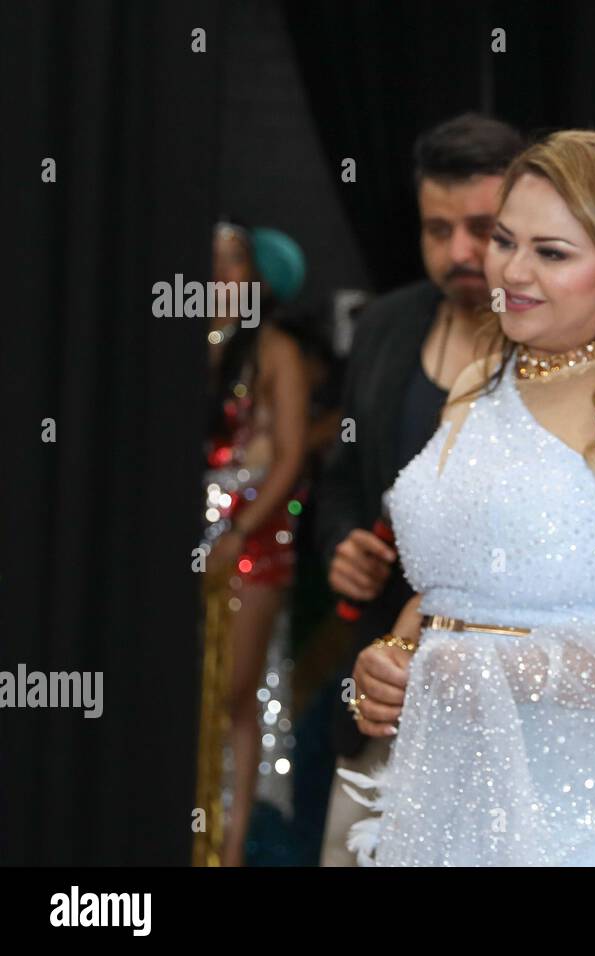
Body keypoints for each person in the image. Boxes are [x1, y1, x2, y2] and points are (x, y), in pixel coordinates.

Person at [338, 130, 595, 865]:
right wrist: (397, 650)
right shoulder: (480, 383)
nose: (511, 269)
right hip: (448, 795)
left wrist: (487, 668)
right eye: (505, 240)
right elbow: (452, 593)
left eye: (552, 253)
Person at [315, 114, 524, 866]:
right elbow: (340, 479)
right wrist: (338, 543)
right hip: (375, 694)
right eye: (439, 230)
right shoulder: (387, 325)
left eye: (483, 227)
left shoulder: (554, 348)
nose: (460, 252)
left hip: (503, 718)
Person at [203, 222, 310, 866]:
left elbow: (292, 457)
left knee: (234, 692)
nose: (219, 274)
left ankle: (229, 846)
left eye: (233, 262)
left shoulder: (275, 352)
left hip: (251, 539)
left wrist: (236, 530)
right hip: (192, 537)